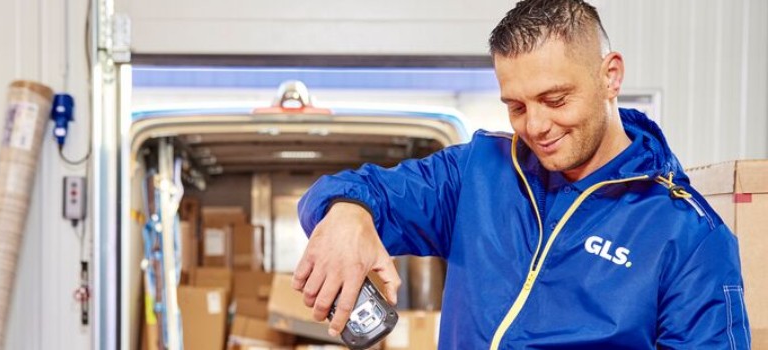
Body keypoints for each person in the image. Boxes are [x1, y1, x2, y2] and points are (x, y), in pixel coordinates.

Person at [292, 0, 751, 348]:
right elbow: (355, 191)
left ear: (610, 76)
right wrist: (345, 212)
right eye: (516, 106)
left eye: (555, 100)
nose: (535, 127)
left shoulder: (690, 238)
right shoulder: (477, 172)